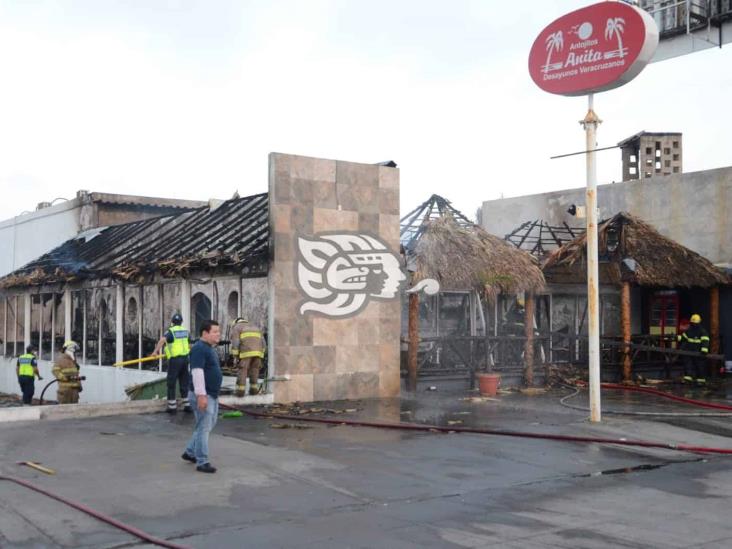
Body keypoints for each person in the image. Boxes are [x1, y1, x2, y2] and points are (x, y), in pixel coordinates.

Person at [182, 320, 222, 473]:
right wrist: (201, 395)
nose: (218, 334)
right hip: (204, 395)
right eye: (215, 332)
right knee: (204, 427)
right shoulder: (200, 349)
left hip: (211, 394)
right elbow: (197, 372)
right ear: (205, 333)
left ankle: (190, 452)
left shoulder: (208, 348)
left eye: (218, 331)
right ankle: (202, 461)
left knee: (206, 425)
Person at [152, 313, 192, 414]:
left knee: (171, 382)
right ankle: (187, 405)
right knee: (184, 382)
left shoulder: (171, 331)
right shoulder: (185, 331)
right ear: (181, 322)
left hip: (175, 360)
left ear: (172, 322)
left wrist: (155, 351)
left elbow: (162, 340)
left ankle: (172, 407)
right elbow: (189, 345)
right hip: (185, 359)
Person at [229, 318, 265, 396]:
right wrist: (262, 353)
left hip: (245, 353)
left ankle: (240, 391)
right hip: (258, 353)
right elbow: (263, 343)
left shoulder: (237, 327)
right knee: (255, 370)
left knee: (243, 370)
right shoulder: (255, 327)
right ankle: (253, 390)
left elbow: (235, 343)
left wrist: (235, 356)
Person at [678, 313, 710, 382]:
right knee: (688, 364)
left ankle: (700, 380)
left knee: (699, 366)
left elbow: (705, 341)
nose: (693, 324)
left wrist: (704, 350)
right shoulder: (689, 330)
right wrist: (676, 338)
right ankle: (688, 378)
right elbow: (683, 337)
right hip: (689, 351)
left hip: (698, 352)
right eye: (693, 323)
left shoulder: (702, 331)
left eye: (694, 323)